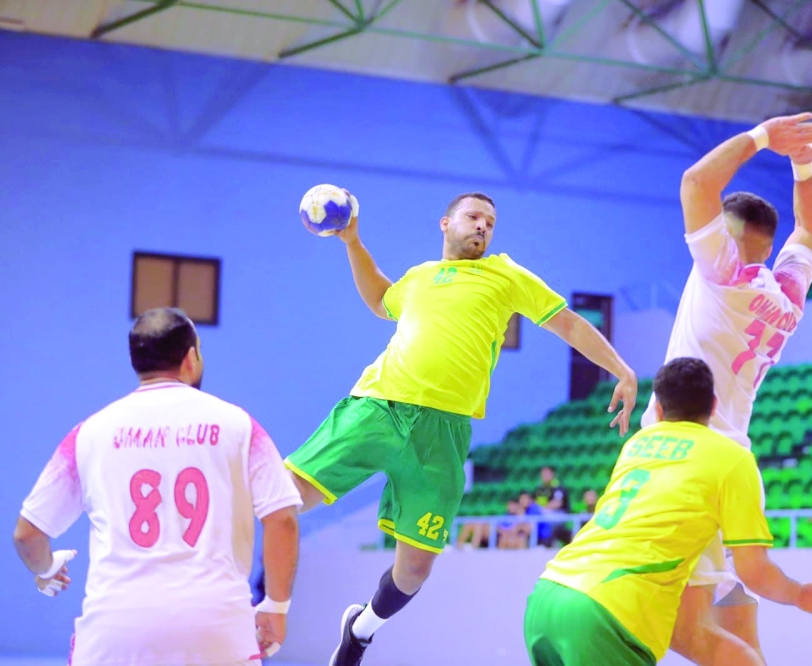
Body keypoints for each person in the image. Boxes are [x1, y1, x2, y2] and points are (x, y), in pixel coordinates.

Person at [285, 192, 638, 666]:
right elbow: (380, 301)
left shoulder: (505, 275)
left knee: (414, 570)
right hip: (379, 407)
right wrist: (352, 242)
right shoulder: (419, 277)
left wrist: (621, 369)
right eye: (473, 216)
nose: (483, 226)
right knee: (285, 498)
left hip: (444, 434)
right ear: (445, 223)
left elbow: (570, 325)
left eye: (490, 221)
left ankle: (360, 631)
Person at [637, 112, 812, 665]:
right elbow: (809, 231)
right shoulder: (787, 296)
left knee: (674, 624)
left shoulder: (721, 271)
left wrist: (763, 137)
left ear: (726, 235)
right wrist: (803, 168)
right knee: (733, 603)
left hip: (681, 456)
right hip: (732, 460)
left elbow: (695, 183)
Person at [12, 308, 302, 665]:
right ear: (191, 358)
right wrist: (276, 606)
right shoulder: (240, 426)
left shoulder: (88, 433)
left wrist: (45, 569)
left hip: (114, 637)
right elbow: (282, 519)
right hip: (217, 632)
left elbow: (28, 534)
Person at [525, 358, 812, 666]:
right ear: (714, 405)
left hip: (548, 594)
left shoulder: (636, 444)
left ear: (658, 408)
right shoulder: (732, 459)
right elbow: (753, 571)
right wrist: (800, 594)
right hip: (606, 610)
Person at [535, 466, 573, 547]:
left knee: (543, 516)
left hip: (560, 514)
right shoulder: (540, 488)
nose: (544, 476)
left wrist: (542, 509)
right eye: (543, 474)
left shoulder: (558, 486)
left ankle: (547, 543)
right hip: (545, 512)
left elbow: (557, 503)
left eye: (547, 474)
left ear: (552, 474)